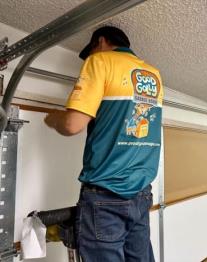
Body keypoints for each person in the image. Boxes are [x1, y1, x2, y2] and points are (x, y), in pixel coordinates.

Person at [44, 26, 163, 262]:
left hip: (106, 194)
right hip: (141, 192)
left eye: (92, 51)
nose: (90, 57)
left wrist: (53, 118)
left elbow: (72, 125)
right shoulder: (154, 74)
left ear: (101, 42)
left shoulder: (100, 61)